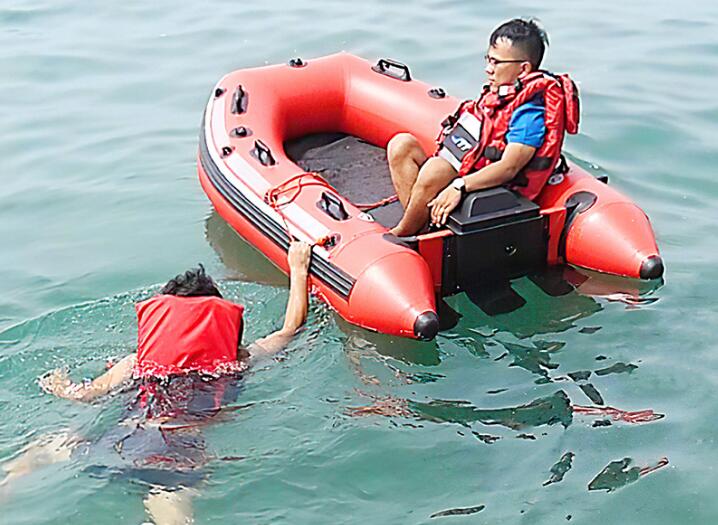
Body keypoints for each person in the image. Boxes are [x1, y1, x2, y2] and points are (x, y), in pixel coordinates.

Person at [1, 241, 312, 525]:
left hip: (112, 444)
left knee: (50, 444)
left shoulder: (136, 363)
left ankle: (8, 485)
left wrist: (59, 384)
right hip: (173, 460)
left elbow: (86, 395)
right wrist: (298, 270)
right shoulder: (238, 362)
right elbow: (289, 330)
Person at [388, 18, 579, 236]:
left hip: (492, 188)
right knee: (401, 145)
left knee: (434, 170)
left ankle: (403, 234)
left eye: (496, 62)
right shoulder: (501, 94)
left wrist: (459, 185)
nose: (488, 69)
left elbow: (508, 168)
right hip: (471, 166)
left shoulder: (529, 115)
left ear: (523, 68)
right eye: (488, 59)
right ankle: (421, 227)